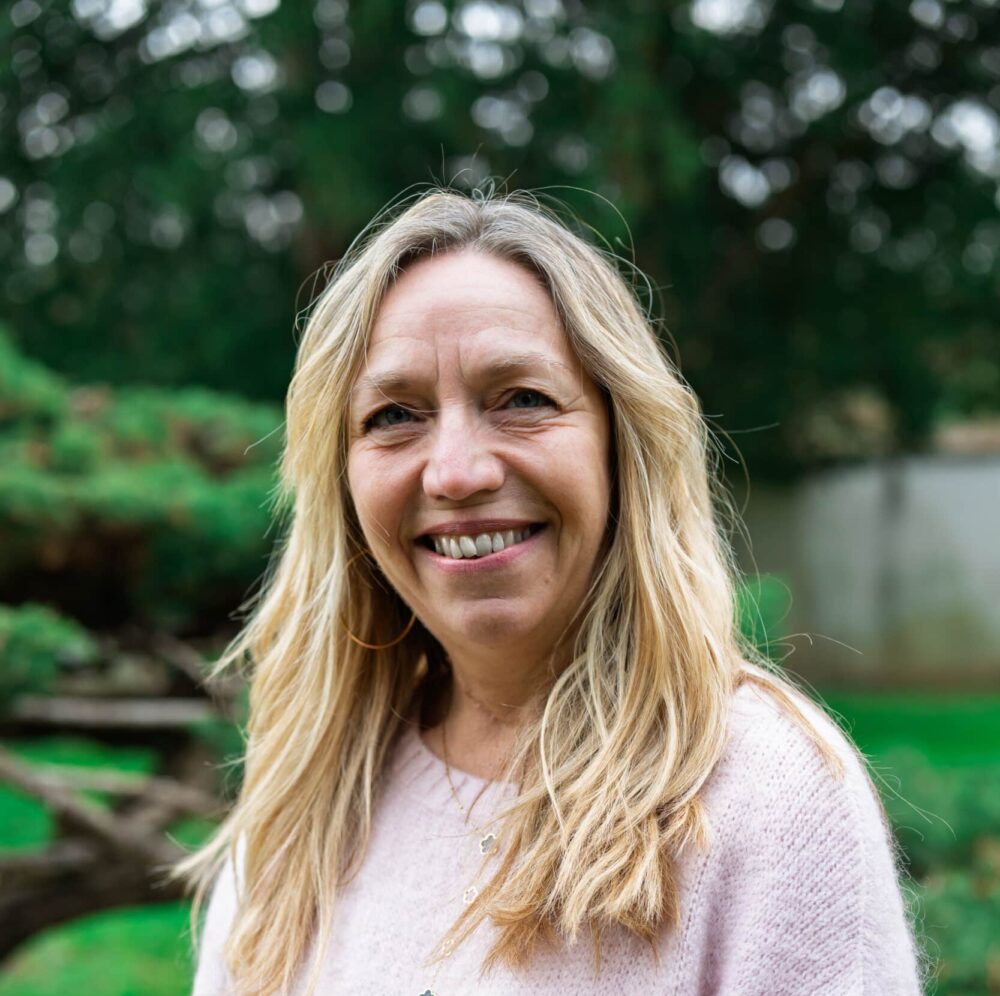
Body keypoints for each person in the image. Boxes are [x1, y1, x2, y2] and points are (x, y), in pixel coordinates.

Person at [181, 188, 923, 995]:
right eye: (394, 415)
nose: (457, 472)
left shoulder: (766, 797)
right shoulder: (306, 799)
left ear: (621, 442)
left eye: (522, 400)